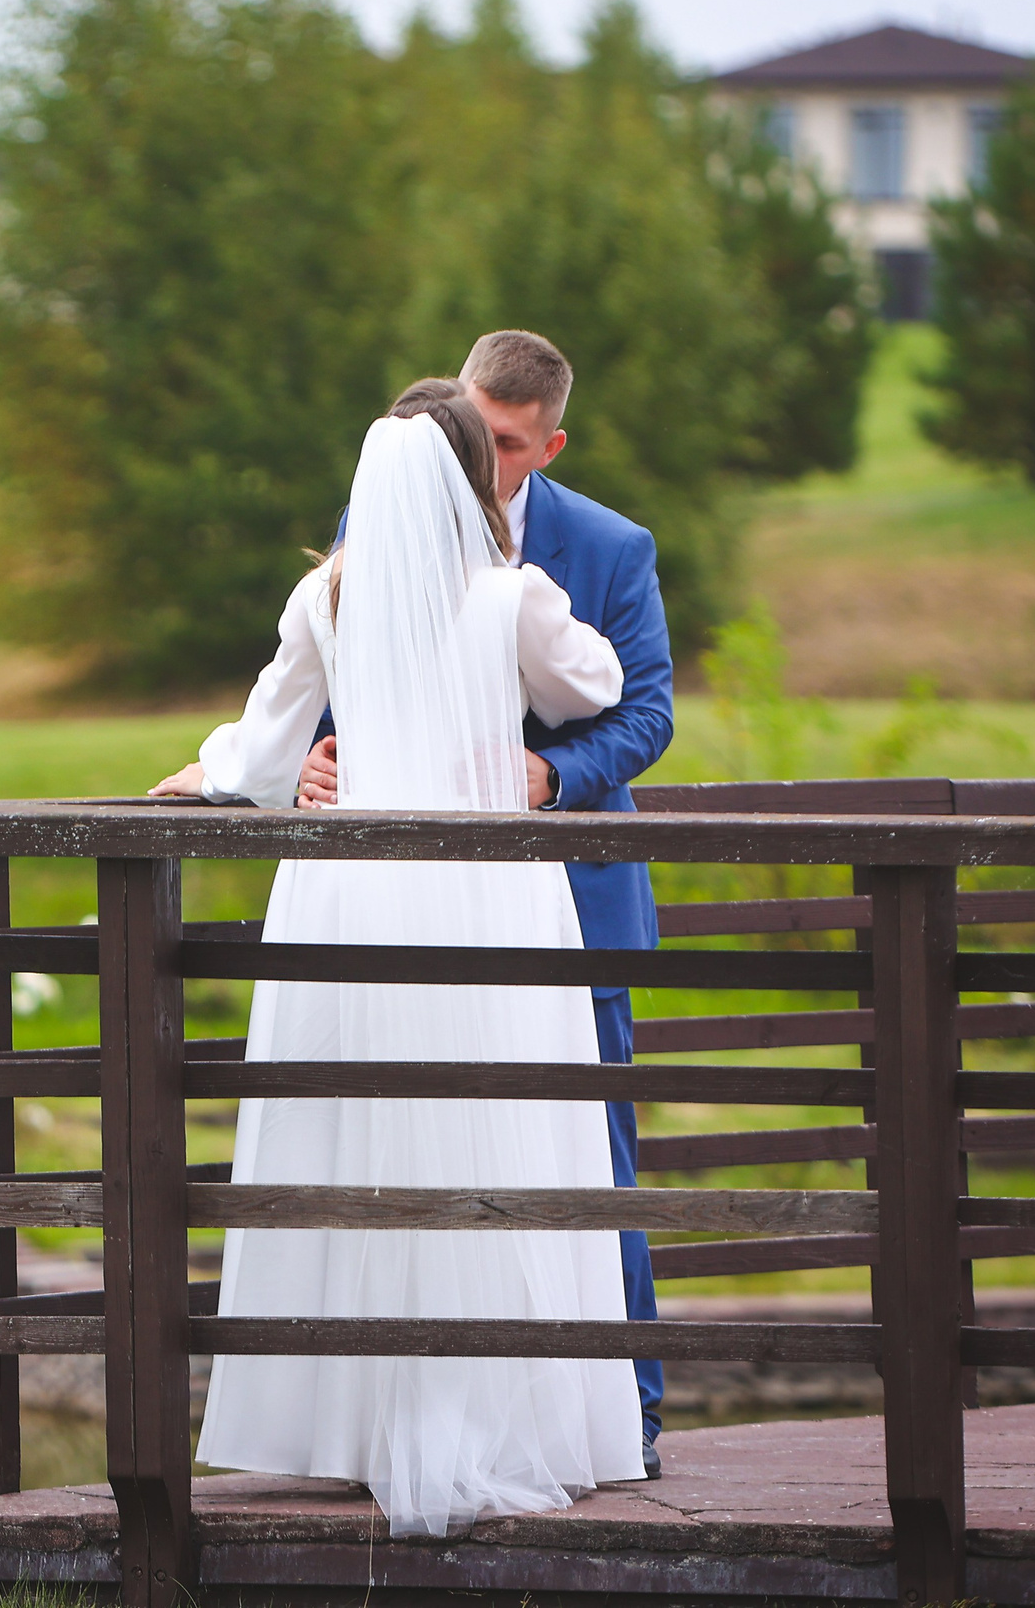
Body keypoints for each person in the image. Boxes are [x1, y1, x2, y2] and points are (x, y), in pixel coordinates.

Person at [149, 380, 643, 1536]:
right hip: (479, 894)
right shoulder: (511, 596)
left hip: (346, 892)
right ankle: (501, 1408)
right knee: (497, 1126)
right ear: (477, 473)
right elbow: (598, 685)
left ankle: (353, 1423)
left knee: (354, 1125)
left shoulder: (325, 595)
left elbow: (267, 748)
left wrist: (218, 768)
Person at [290, 333, 676, 1469]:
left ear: (546, 445)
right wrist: (322, 757)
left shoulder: (607, 548)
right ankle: (423, 1422)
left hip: (571, 899)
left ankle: (626, 1416)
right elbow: (352, 678)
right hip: (417, 911)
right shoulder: (383, 523)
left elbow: (644, 713)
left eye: (502, 443)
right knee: (415, 1154)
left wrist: (550, 776)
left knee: (589, 1160)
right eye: (466, 426)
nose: (469, 454)